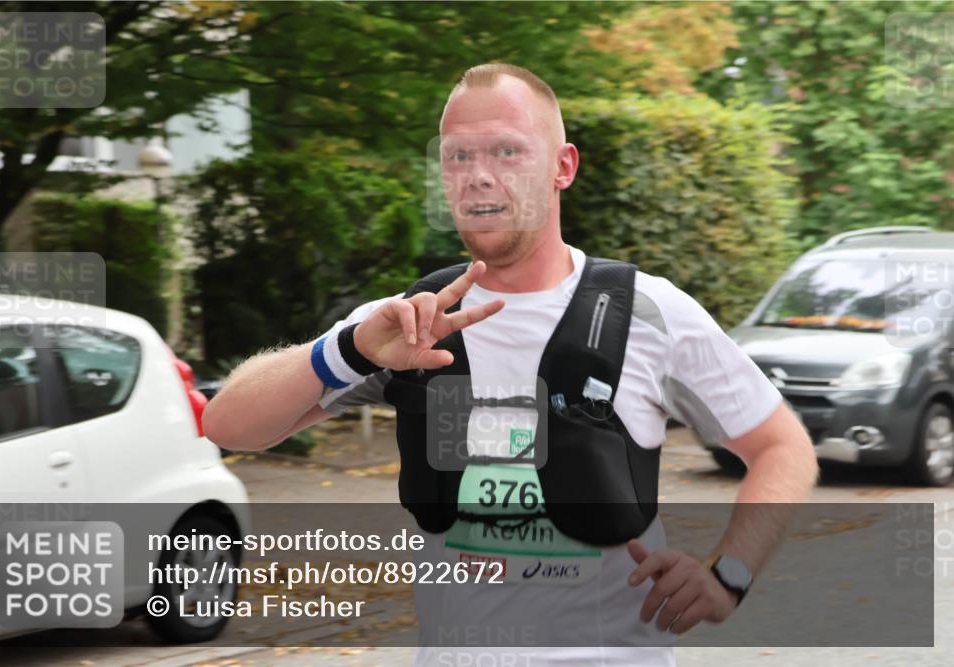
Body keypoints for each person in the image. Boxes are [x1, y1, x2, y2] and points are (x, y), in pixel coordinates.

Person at [204, 63, 819, 665]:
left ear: (562, 166)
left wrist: (728, 574)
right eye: (457, 157)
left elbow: (782, 447)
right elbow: (228, 425)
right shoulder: (407, 321)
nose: (477, 177)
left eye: (506, 152)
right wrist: (351, 349)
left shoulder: (649, 313)